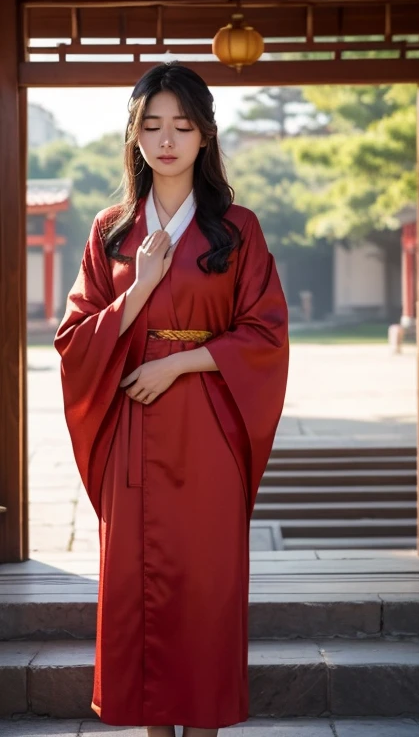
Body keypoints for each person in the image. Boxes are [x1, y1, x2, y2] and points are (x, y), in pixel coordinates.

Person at [54, 61, 289, 737]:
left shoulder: (237, 228)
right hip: (134, 425)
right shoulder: (112, 231)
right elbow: (74, 339)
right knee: (137, 581)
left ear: (206, 136)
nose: (166, 140)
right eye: (151, 125)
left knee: (207, 583)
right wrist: (138, 290)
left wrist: (183, 362)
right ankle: (155, 729)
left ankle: (206, 725)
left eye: (182, 126)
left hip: (209, 423)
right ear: (134, 136)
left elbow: (265, 331)